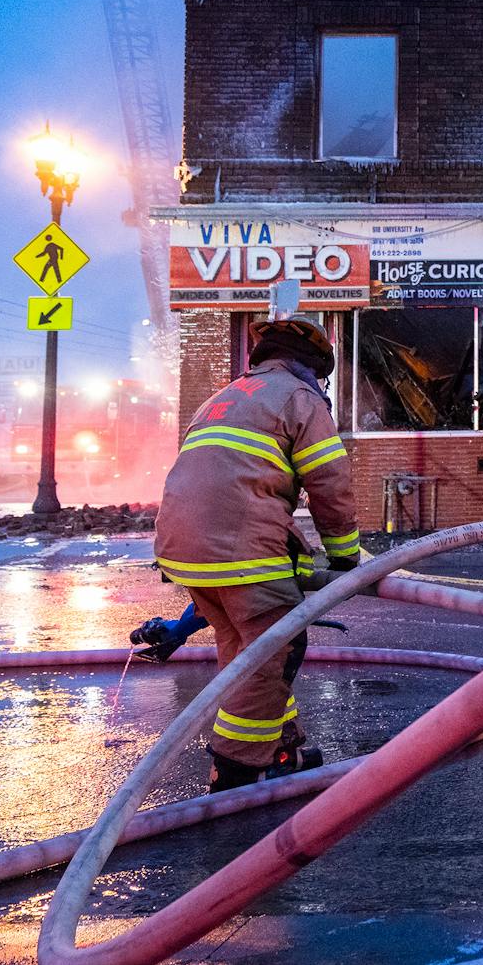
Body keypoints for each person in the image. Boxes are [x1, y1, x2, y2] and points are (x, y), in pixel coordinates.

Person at [153, 317, 361, 792]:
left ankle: (281, 748)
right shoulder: (300, 398)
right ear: (309, 367)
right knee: (275, 651)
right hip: (241, 549)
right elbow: (330, 483)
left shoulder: (220, 399)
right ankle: (236, 770)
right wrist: (345, 559)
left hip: (184, 550)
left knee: (244, 650)